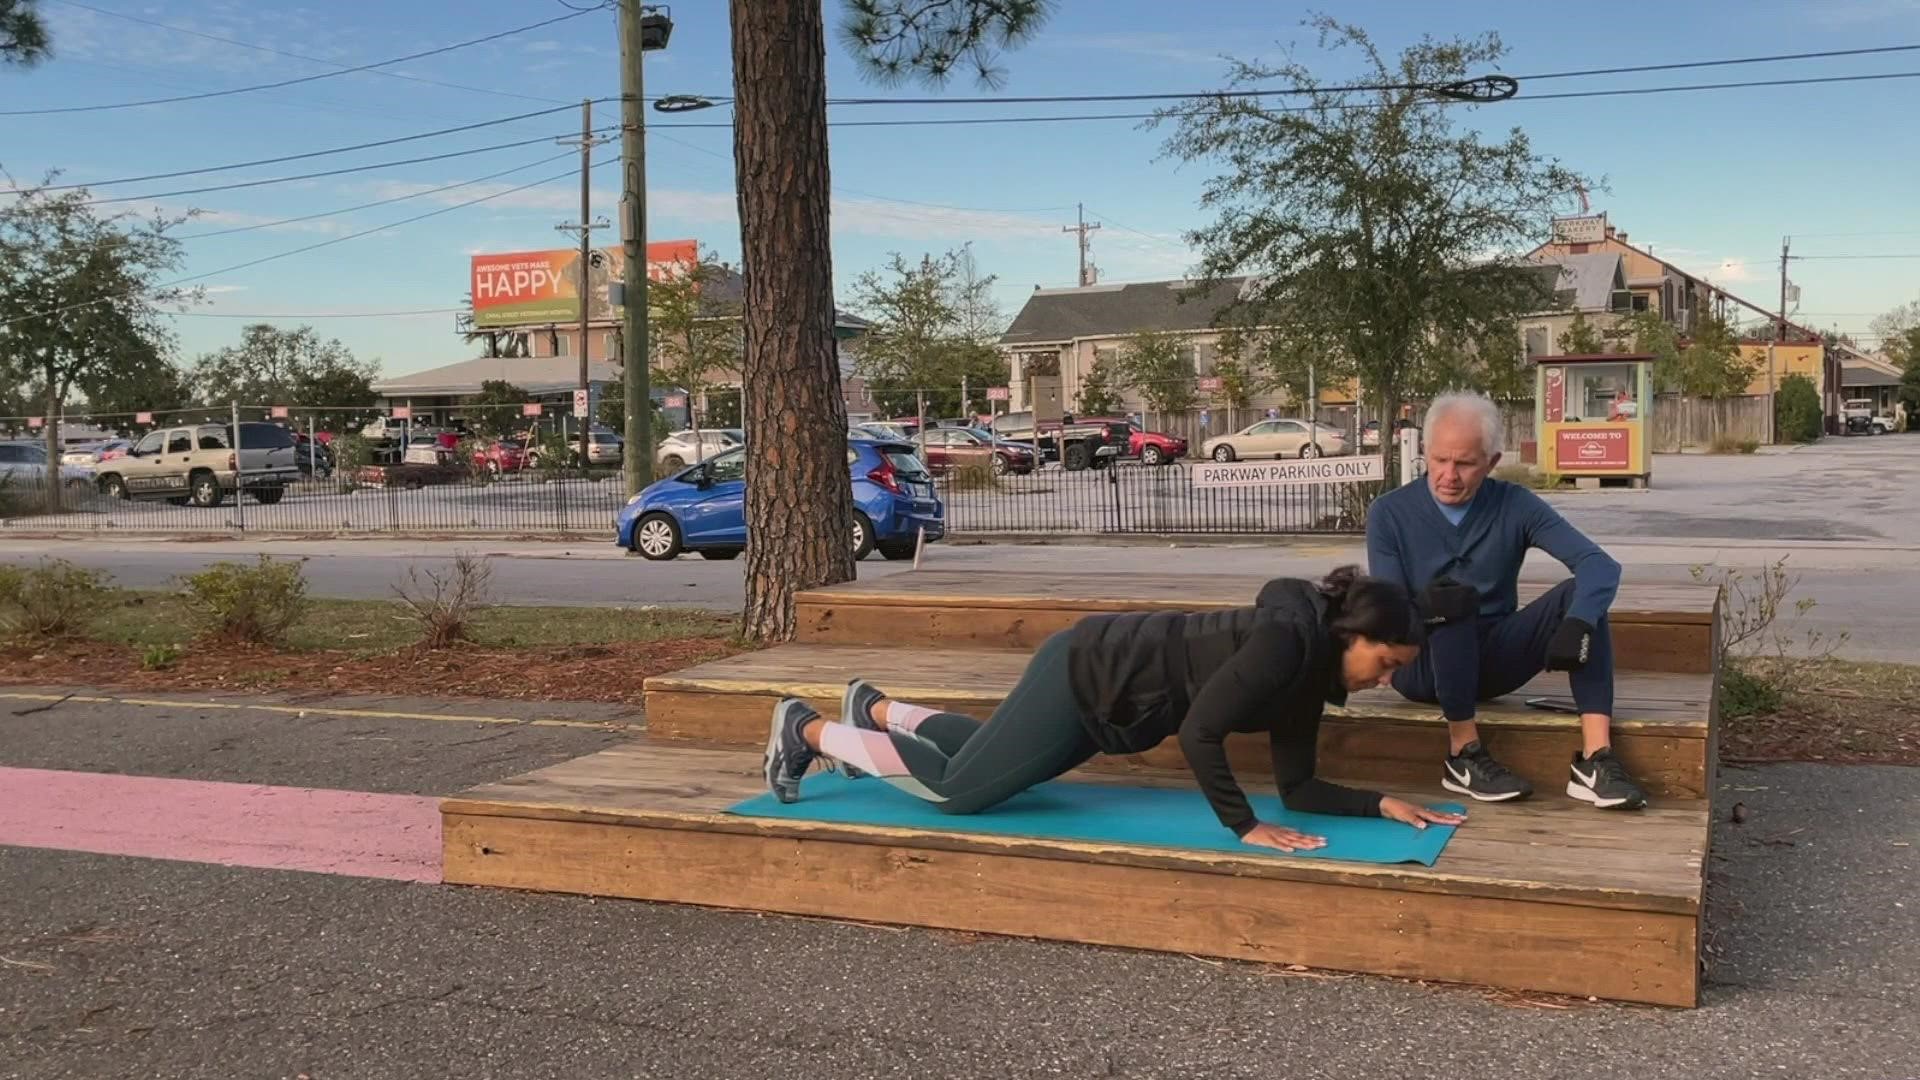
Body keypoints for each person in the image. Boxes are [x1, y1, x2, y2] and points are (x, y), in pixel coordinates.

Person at [762, 567, 1464, 851]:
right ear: (1353, 635)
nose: (1383, 679)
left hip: (1101, 689)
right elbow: (1200, 732)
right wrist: (1243, 827)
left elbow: (1299, 786)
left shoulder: (1308, 676)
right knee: (955, 793)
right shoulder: (1286, 645)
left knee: (986, 764)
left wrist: (1380, 805)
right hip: (1088, 677)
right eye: (1386, 664)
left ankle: (876, 711)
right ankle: (810, 728)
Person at [1366, 391, 1648, 811]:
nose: (1449, 475)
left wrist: (1578, 624)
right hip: (1421, 665)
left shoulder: (1515, 504)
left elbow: (1599, 564)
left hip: (1493, 661)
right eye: (1440, 460)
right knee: (1451, 598)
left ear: (1492, 462)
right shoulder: (1388, 512)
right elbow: (1391, 608)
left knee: (1584, 597)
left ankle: (1595, 761)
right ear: (1425, 452)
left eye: (1464, 463)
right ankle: (1464, 755)